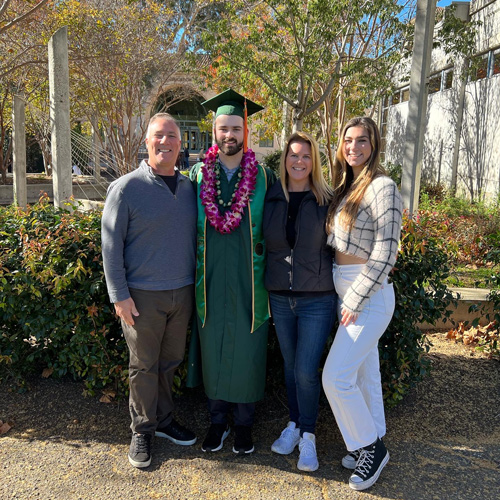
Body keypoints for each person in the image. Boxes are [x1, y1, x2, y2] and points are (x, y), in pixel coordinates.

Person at [101, 113, 198, 469]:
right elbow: (110, 247)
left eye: (172, 136)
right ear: (147, 142)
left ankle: (165, 420)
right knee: (144, 365)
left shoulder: (190, 188)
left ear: (180, 143)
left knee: (170, 362)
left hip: (182, 293)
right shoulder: (125, 188)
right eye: (158, 135)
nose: (165, 142)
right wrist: (119, 295)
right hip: (142, 296)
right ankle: (142, 429)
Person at [187, 89, 275, 455]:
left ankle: (244, 424)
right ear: (214, 132)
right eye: (223, 128)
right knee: (214, 345)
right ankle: (217, 421)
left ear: (246, 132)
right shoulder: (195, 176)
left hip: (249, 282)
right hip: (210, 280)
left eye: (236, 128)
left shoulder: (266, 178)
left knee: (247, 348)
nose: (229, 135)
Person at [322, 116, 403, 490]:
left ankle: (370, 448)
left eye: (362, 141)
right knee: (363, 375)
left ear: (375, 145)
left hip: (367, 296)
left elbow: (387, 252)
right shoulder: (348, 186)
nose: (353, 147)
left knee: (335, 377)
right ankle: (372, 438)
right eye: (348, 141)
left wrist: (355, 297)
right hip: (348, 293)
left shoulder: (383, 187)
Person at [263, 132, 336, 472]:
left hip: (316, 299)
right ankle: (293, 424)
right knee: (291, 370)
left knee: (307, 371)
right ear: (284, 160)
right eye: (293, 155)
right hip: (280, 296)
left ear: (314, 161)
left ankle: (309, 435)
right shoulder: (271, 196)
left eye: (305, 156)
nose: (298, 161)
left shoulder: (327, 199)